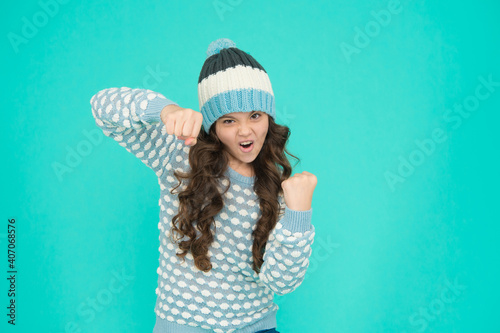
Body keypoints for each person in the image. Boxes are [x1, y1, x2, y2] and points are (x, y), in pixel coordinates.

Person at [90, 38, 317, 333]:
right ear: (213, 126)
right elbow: (102, 107)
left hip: (256, 327)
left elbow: (281, 282)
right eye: (228, 121)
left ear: (269, 118)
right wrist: (166, 111)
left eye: (255, 116)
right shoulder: (179, 155)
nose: (245, 130)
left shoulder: (278, 188)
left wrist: (299, 216)